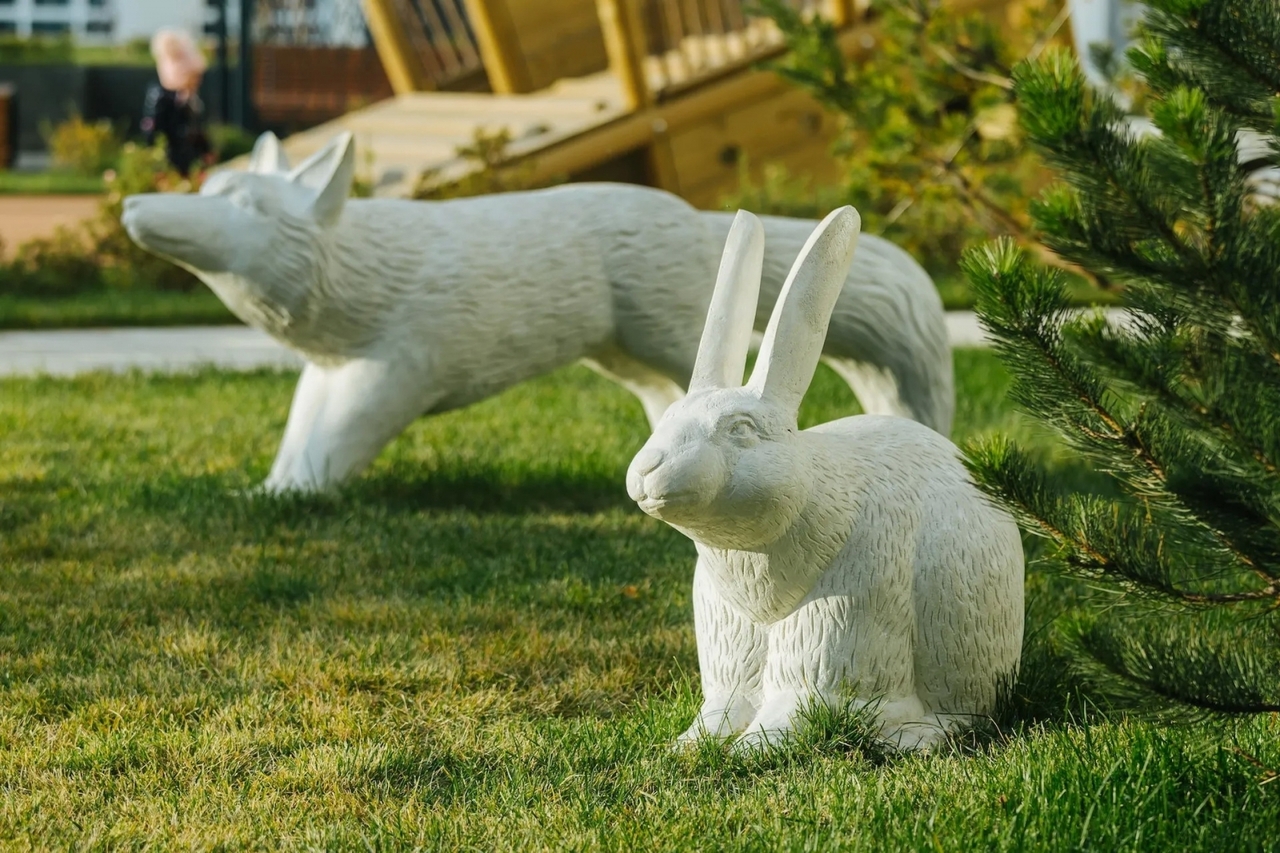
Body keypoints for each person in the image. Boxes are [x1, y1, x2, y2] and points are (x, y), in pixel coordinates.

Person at [141, 29, 212, 175]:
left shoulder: (189, 100)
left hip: (188, 159)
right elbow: (154, 130)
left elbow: (197, 129)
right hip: (171, 158)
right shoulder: (162, 99)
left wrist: (206, 149)